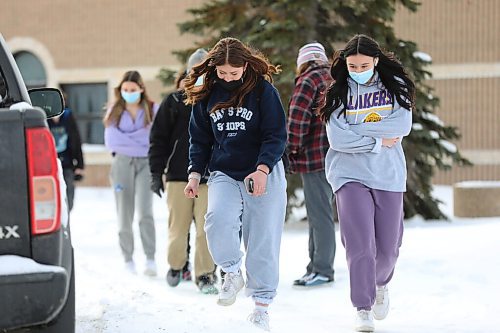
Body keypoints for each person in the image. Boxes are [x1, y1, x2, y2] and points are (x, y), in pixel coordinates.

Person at [183, 37, 287, 331]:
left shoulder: (263, 91)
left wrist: (263, 168)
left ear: (245, 66)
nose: (228, 78)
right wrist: (194, 174)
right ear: (214, 68)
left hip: (263, 171)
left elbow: (276, 134)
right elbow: (199, 140)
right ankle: (231, 271)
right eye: (223, 73)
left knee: (262, 237)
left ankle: (261, 307)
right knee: (216, 220)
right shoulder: (207, 95)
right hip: (225, 171)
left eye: (234, 73)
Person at [319, 34, 415, 332]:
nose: (357, 70)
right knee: (360, 244)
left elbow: (401, 126)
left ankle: (381, 283)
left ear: (375, 61)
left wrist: (358, 130)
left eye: (363, 65)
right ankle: (362, 307)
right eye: (352, 65)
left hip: (388, 175)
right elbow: (337, 138)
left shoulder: (394, 88)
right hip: (348, 175)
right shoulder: (338, 92)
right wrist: (376, 140)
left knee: (388, 249)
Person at [149, 49, 217, 294]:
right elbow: (158, 139)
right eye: (195, 70)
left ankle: (206, 274)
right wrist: (156, 172)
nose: (200, 75)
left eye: (205, 70)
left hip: (209, 177)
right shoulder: (175, 101)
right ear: (189, 72)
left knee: (205, 230)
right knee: (178, 228)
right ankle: (176, 266)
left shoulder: (218, 100)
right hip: (178, 175)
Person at [287, 42, 337, 288]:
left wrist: (290, 149)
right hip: (336, 157)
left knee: (320, 216)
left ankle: (322, 269)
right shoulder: (334, 77)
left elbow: (297, 120)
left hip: (315, 157)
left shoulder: (308, 81)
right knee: (321, 214)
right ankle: (314, 266)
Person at [104, 70, 159, 277]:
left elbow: (154, 138)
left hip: (146, 163)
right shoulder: (114, 110)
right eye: (125, 90)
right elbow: (112, 141)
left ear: (141, 89)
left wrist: (130, 140)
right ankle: (128, 258)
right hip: (121, 165)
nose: (128, 93)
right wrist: (140, 139)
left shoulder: (153, 109)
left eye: (132, 90)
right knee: (124, 212)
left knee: (145, 211)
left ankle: (150, 258)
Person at [47, 92, 85, 212]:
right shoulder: (44, 119)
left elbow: (76, 140)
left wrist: (79, 164)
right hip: (50, 165)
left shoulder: (68, 117)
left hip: (67, 164)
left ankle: (66, 222)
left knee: (68, 198)